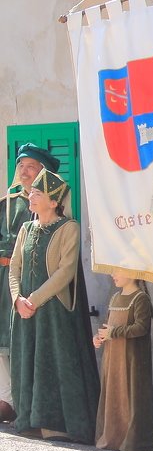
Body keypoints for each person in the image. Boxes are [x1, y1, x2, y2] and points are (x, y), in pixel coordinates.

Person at [9, 168, 100, 443]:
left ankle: (59, 425)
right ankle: (29, 421)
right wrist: (17, 299)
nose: (32, 197)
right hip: (25, 312)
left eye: (38, 193)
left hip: (54, 313)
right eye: (32, 192)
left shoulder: (68, 228)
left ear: (53, 202)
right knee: (28, 361)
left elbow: (65, 271)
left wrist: (34, 299)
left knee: (56, 364)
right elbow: (15, 267)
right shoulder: (26, 228)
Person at [0, 144, 57, 424]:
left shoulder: (50, 205)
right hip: (3, 277)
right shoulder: (7, 201)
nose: (24, 171)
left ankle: (26, 402)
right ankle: (6, 399)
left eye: (31, 166)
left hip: (28, 279)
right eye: (21, 165)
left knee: (21, 338)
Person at [93, 270, 153, 451]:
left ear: (133, 271)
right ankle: (113, 437)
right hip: (113, 358)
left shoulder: (140, 298)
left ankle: (133, 441)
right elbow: (108, 324)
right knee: (114, 394)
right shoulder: (114, 298)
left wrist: (114, 332)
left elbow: (141, 328)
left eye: (118, 270)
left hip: (131, 359)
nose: (113, 274)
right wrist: (100, 337)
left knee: (131, 396)